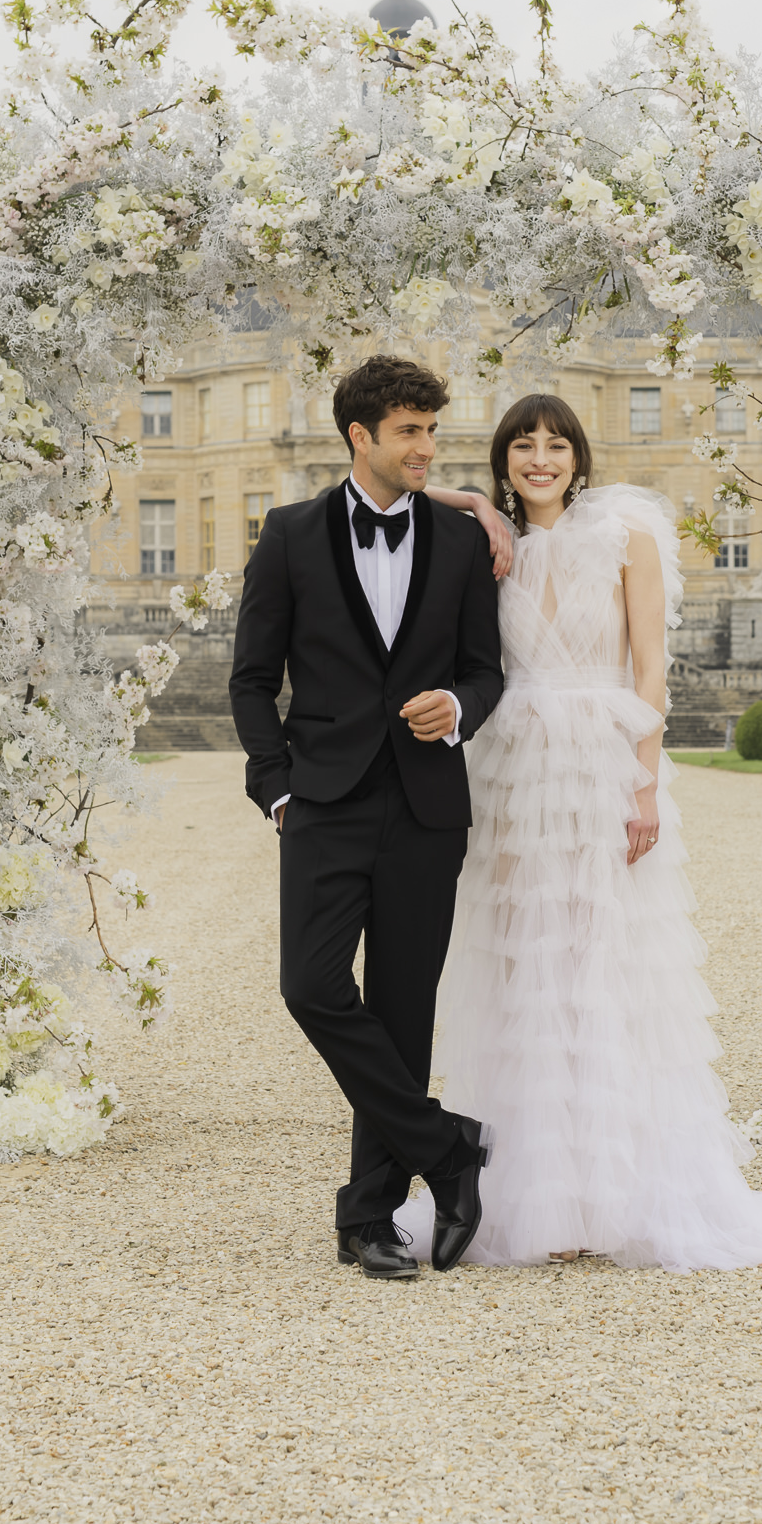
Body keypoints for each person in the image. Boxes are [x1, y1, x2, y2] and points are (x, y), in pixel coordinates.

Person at [409, 393, 762, 1271]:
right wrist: (471, 503)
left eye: (555, 445)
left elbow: (651, 667)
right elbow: (402, 497)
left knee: (599, 966)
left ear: (579, 457)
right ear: (502, 460)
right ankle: (535, 1192)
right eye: (521, 447)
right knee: (523, 968)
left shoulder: (627, 533)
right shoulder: (485, 543)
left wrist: (646, 786)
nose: (539, 460)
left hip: (602, 765)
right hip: (512, 772)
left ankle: (616, 1190)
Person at [228, 354, 513, 1280]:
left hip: (429, 804)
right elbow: (250, 678)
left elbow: (485, 670)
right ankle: (448, 1147)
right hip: (323, 801)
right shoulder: (289, 533)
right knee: (310, 986)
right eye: (410, 431)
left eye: (433, 429)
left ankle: (369, 1218)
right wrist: (274, 784)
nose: (428, 447)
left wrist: (459, 709)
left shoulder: (462, 542)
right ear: (362, 436)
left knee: (402, 1012)